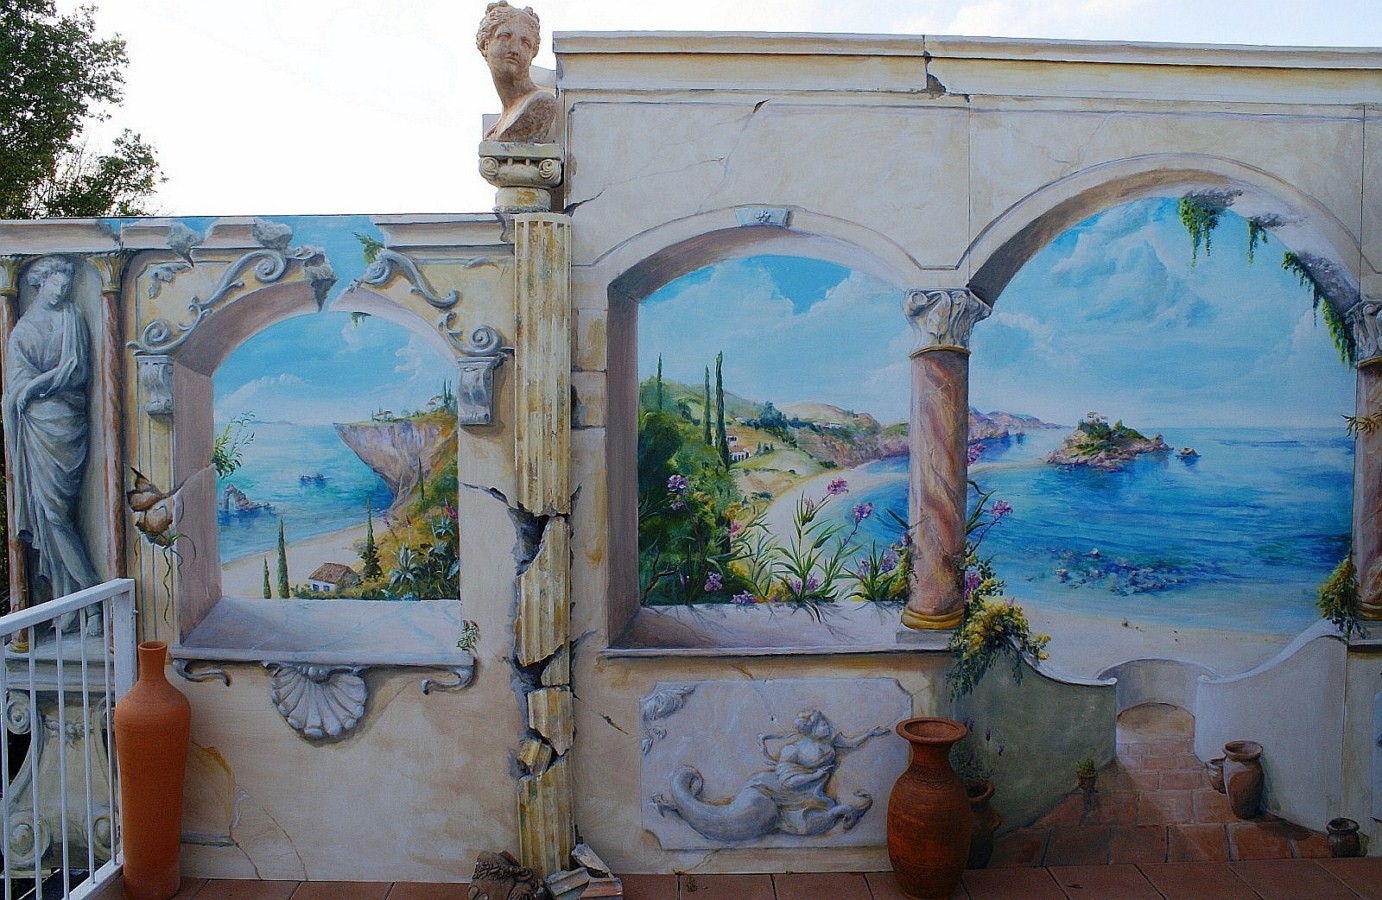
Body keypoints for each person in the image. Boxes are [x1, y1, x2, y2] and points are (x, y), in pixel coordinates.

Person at [3, 256, 98, 602]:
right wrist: (30, 388)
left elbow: (77, 370)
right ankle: (77, 602)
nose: (62, 291)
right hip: (36, 428)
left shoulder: (71, 317)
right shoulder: (23, 331)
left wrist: (34, 386)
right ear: (41, 283)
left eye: (67, 286)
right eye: (57, 283)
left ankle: (88, 596)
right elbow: (15, 389)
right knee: (51, 515)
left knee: (59, 513)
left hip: (67, 424)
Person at [476, 1, 557, 142]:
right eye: (505, 36)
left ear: (532, 54)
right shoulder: (499, 124)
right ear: (485, 45)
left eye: (525, 43)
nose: (514, 49)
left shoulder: (539, 103)